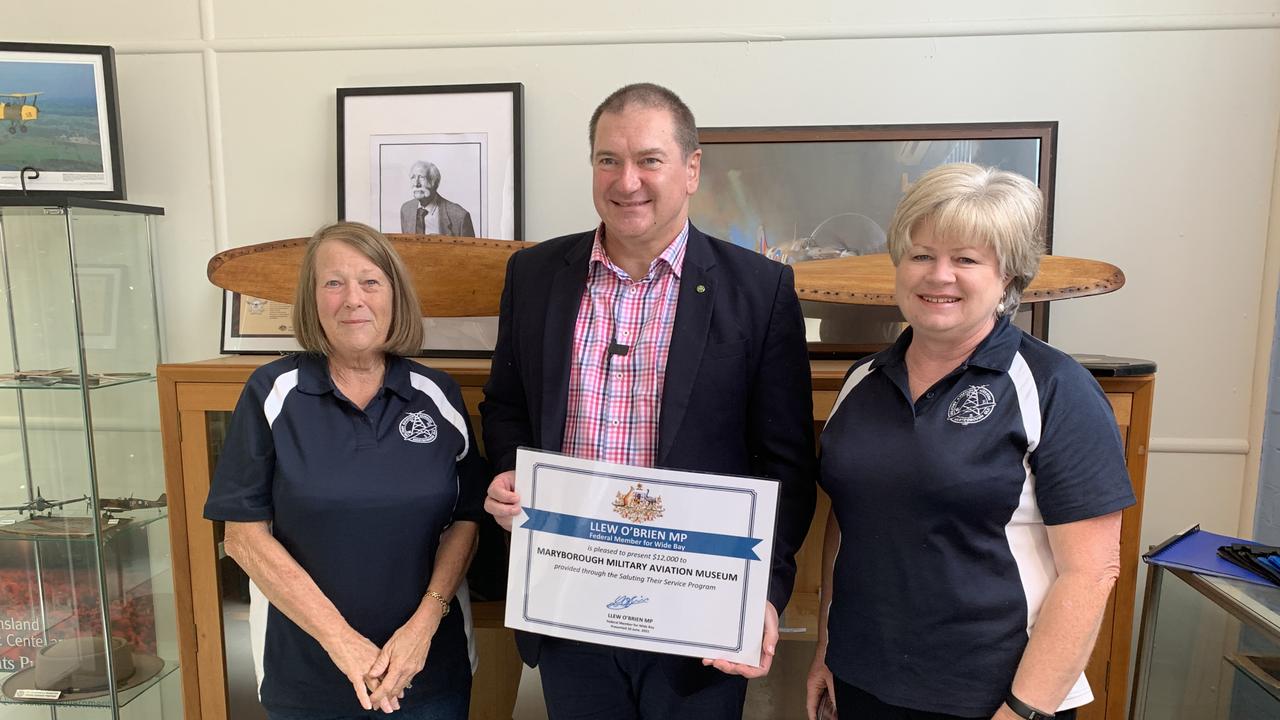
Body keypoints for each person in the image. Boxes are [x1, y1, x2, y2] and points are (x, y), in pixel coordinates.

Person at [481, 82, 816, 719]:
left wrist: (763, 593)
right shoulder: (535, 275)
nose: (626, 180)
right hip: (568, 601)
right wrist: (508, 472)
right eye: (608, 159)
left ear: (691, 170)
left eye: (649, 160)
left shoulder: (759, 289)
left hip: (698, 614)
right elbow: (506, 406)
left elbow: (786, 463)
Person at [805, 163, 1136, 720]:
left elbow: (1093, 570)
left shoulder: (1055, 387)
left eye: (966, 259)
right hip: (863, 681)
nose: (939, 276)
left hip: (993, 697)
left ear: (1007, 276)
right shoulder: (861, 381)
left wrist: (1023, 710)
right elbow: (849, 524)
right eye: (921, 255)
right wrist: (826, 652)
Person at [204, 221, 486, 719]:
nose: (353, 298)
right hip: (307, 676)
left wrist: (422, 628)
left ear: (394, 295)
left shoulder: (438, 395)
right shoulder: (272, 392)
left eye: (370, 281)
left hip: (428, 671)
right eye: (333, 283)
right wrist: (344, 645)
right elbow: (243, 538)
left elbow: (466, 521)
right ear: (312, 301)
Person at [399, 161, 476, 237]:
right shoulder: (406, 210)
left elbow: (470, 249)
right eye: (413, 177)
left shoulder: (460, 216)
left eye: (422, 177)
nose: (416, 183)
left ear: (435, 182)